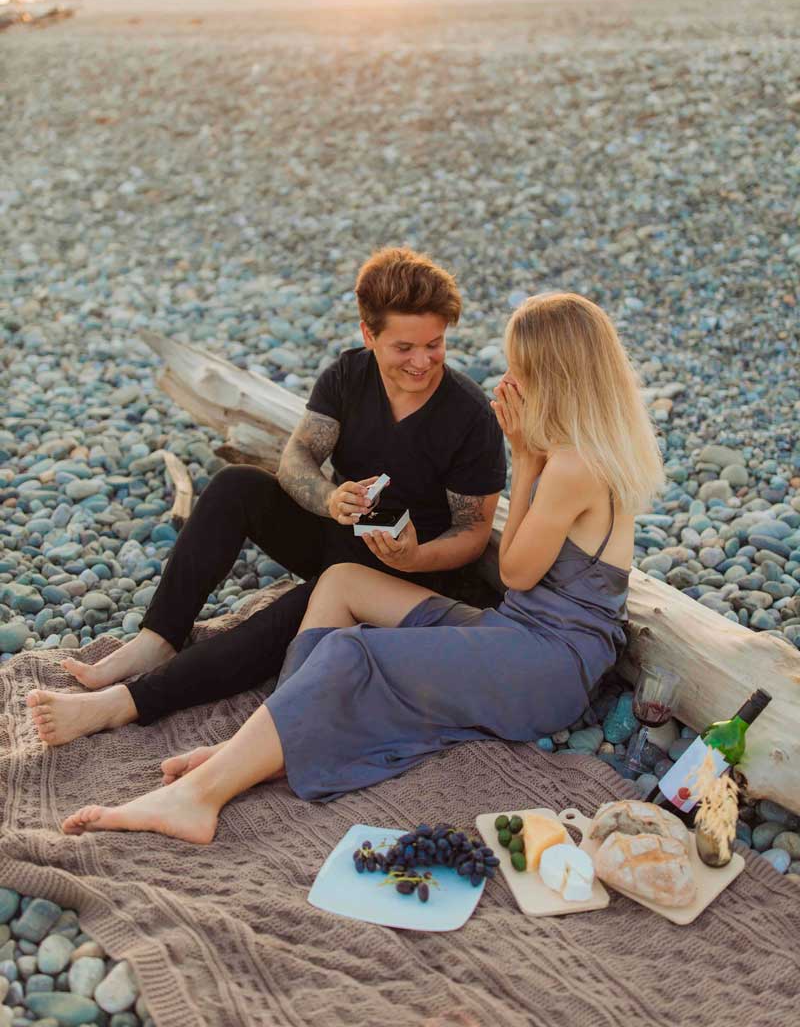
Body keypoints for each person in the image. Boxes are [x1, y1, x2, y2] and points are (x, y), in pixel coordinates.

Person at [54, 291, 665, 841]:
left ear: (552, 376)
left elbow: (515, 576)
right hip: (524, 636)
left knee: (353, 652)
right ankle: (266, 739)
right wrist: (532, 455)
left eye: (519, 369)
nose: (508, 381)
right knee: (342, 584)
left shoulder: (571, 466)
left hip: (549, 667)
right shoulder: (575, 452)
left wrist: (525, 458)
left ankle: (197, 798)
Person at [27, 248, 506, 745]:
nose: (422, 362)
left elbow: (472, 531)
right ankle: (159, 638)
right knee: (235, 485)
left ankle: (125, 704)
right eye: (404, 347)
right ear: (369, 334)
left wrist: (415, 557)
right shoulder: (348, 374)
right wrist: (328, 499)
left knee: (279, 620)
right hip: (342, 534)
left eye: (434, 344)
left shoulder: (469, 417)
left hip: (406, 573)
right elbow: (297, 456)